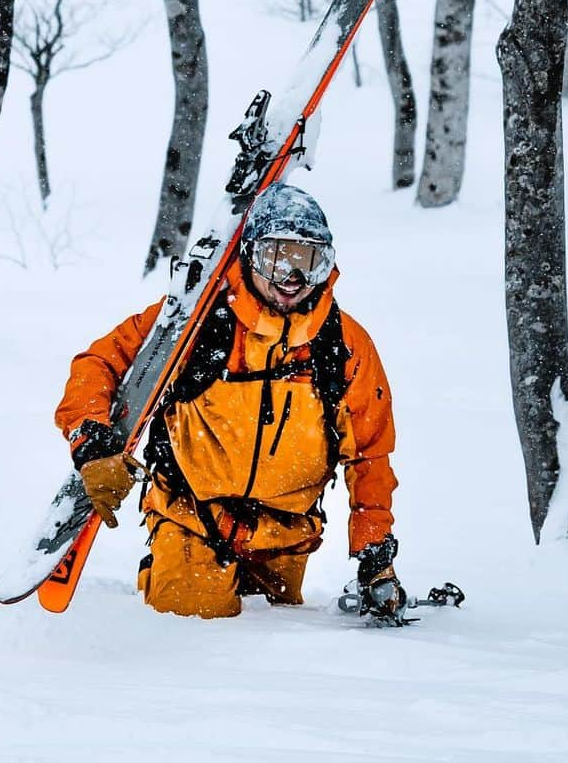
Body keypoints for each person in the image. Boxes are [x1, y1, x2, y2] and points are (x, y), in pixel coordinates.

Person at [54, 184, 404, 620]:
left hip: (287, 535)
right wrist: (91, 439)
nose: (292, 276)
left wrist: (374, 555)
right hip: (192, 518)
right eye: (277, 257)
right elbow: (100, 362)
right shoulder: (196, 321)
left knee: (277, 644)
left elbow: (371, 455)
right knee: (196, 634)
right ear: (251, 255)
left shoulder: (343, 345)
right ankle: (162, 571)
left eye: (307, 258)